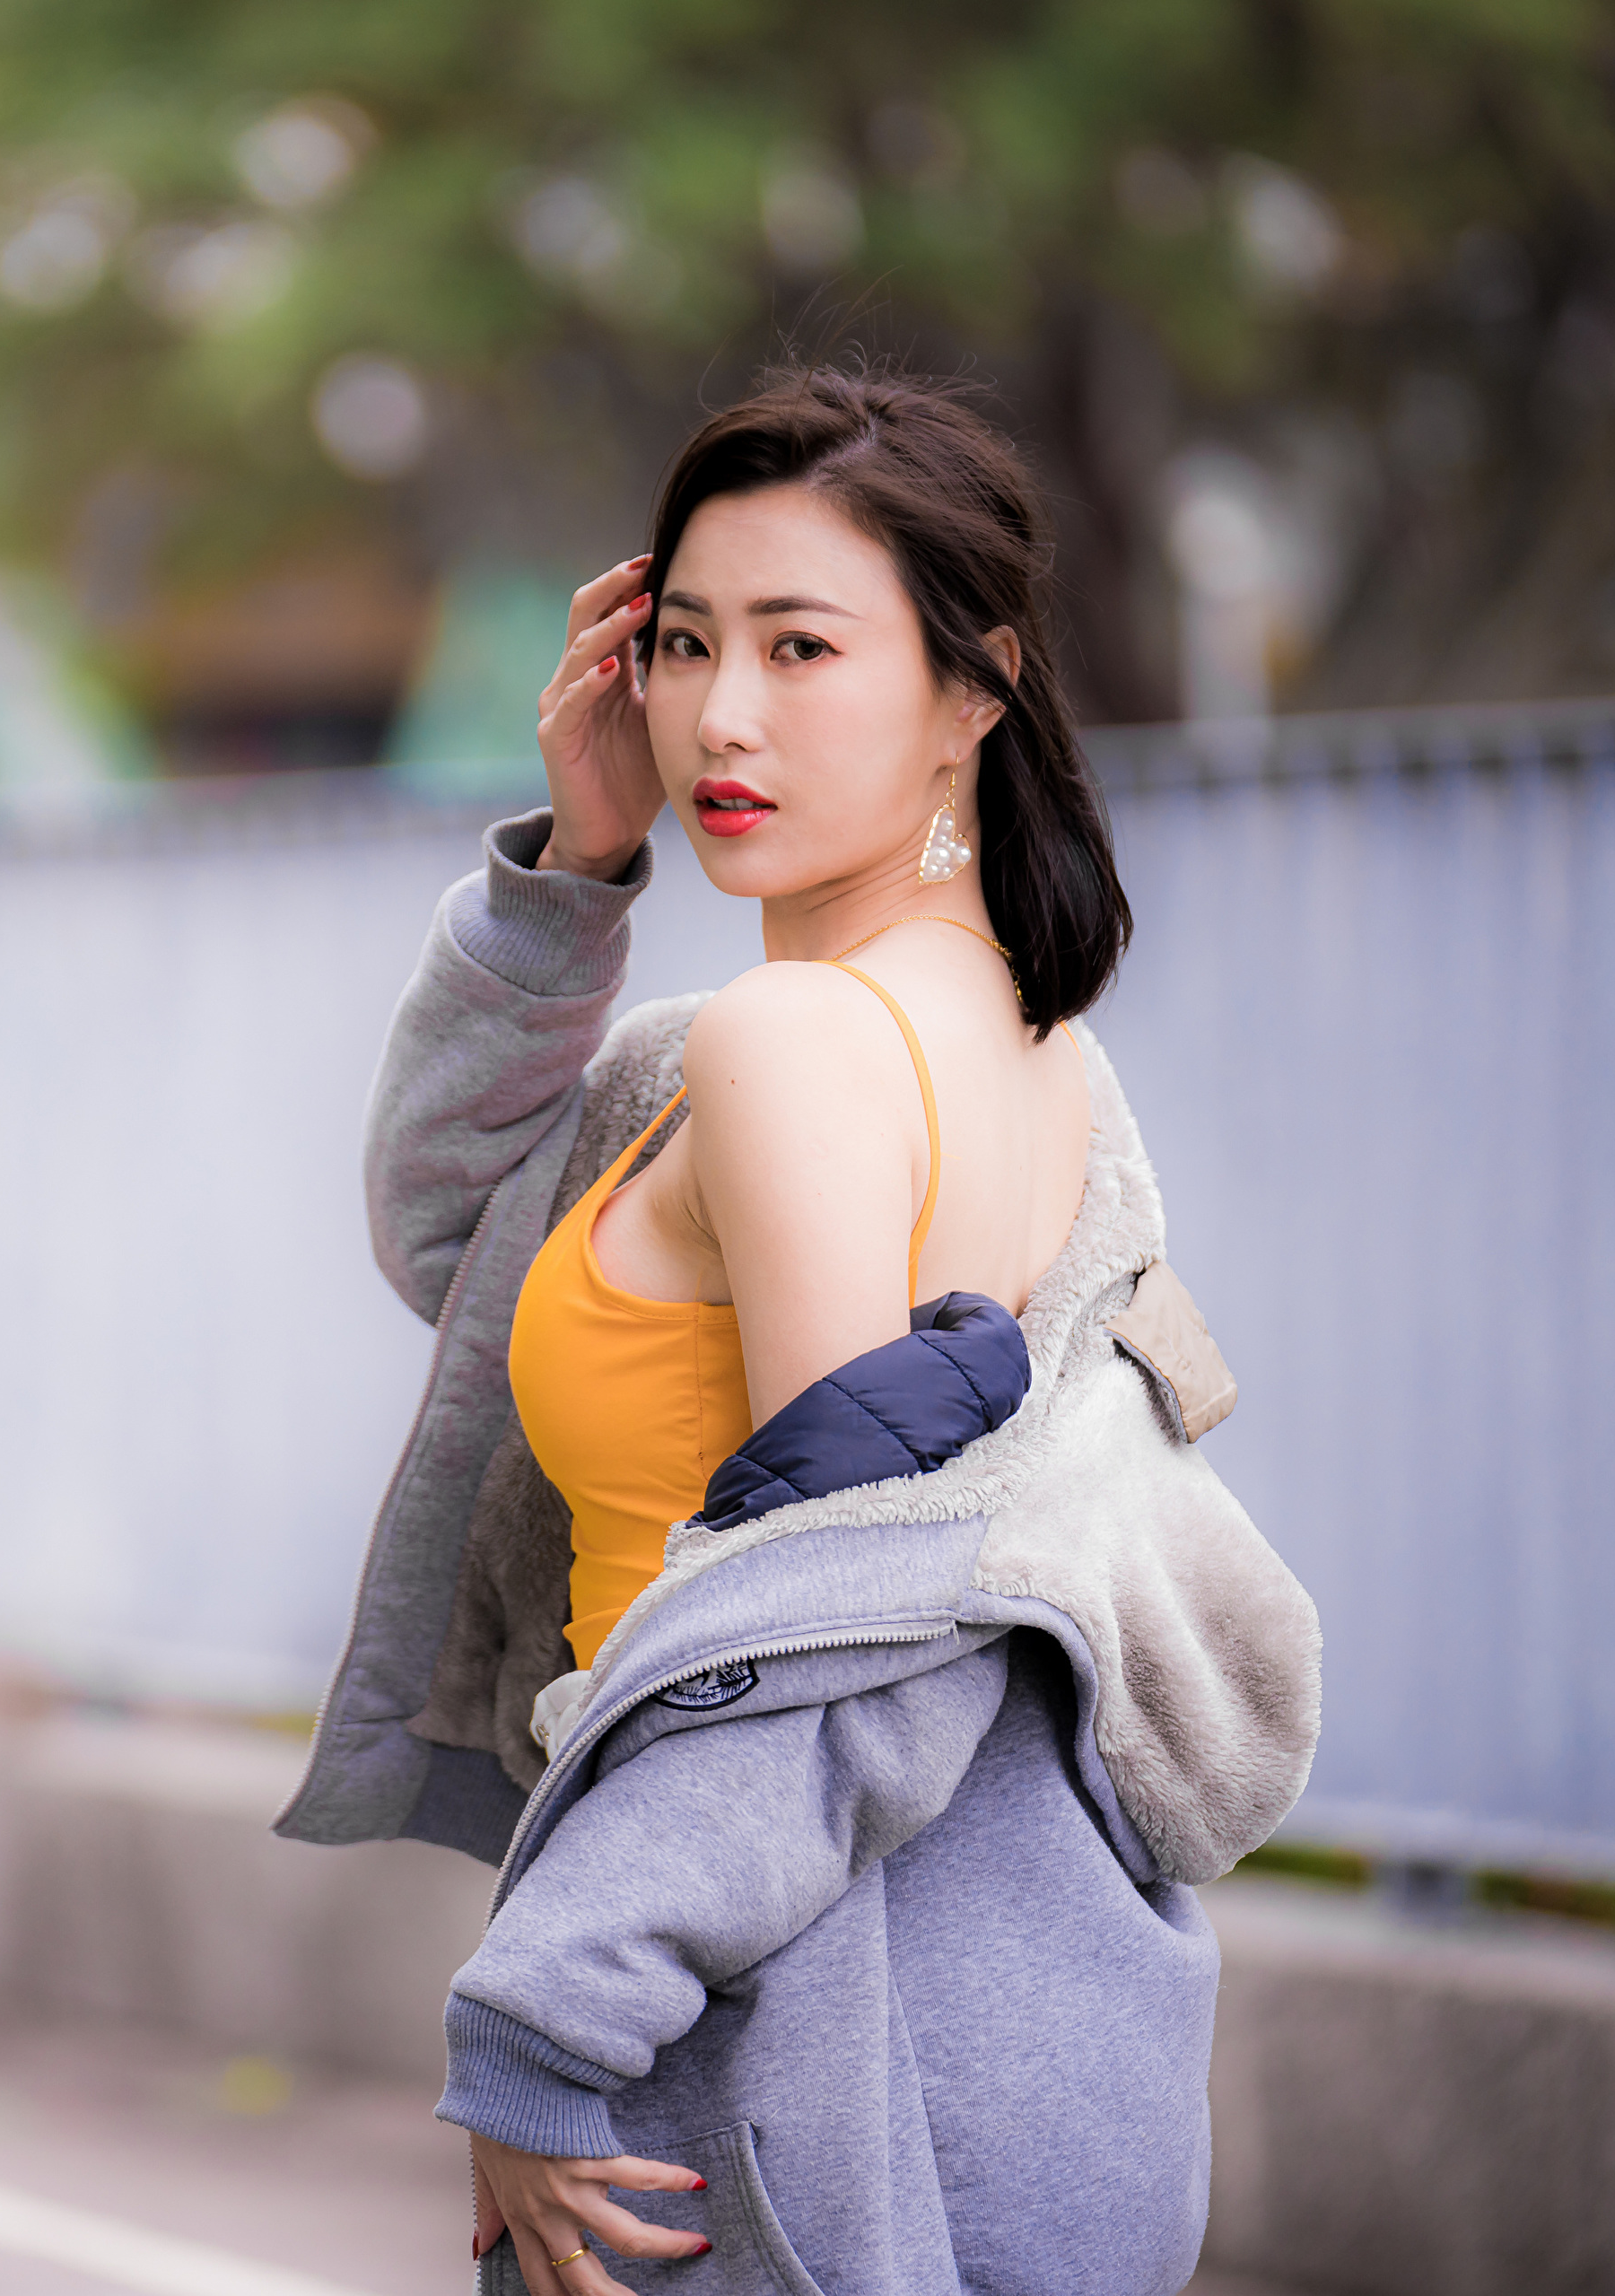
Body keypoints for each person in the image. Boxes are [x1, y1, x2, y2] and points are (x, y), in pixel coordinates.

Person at [274, 369, 1323, 2295]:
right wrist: (579, 867)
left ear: (975, 689)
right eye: (683, 643)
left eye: (802, 644)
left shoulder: (794, 1051)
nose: (721, 714)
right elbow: (458, 1238)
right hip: (994, 2020)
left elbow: (846, 1627)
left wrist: (550, 2010)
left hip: (794, 2042)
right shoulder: (1021, 1046)